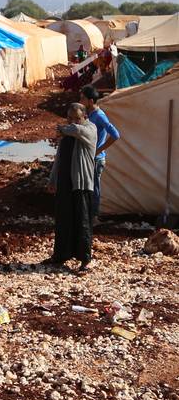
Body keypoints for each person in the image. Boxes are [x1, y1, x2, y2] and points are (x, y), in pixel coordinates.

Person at [48, 103, 97, 273]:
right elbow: (59, 159)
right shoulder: (66, 134)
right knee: (64, 220)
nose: (73, 122)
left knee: (82, 222)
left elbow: (78, 130)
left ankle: (85, 260)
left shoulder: (90, 129)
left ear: (85, 117)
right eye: (70, 118)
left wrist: (63, 128)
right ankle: (61, 255)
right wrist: (52, 180)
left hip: (81, 184)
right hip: (65, 184)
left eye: (77, 118)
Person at [80, 85, 120, 219]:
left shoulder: (99, 116)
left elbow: (115, 135)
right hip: (89, 157)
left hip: (96, 159)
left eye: (83, 98)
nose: (81, 101)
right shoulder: (89, 114)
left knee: (94, 188)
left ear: (90, 101)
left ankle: (94, 216)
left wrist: (98, 150)